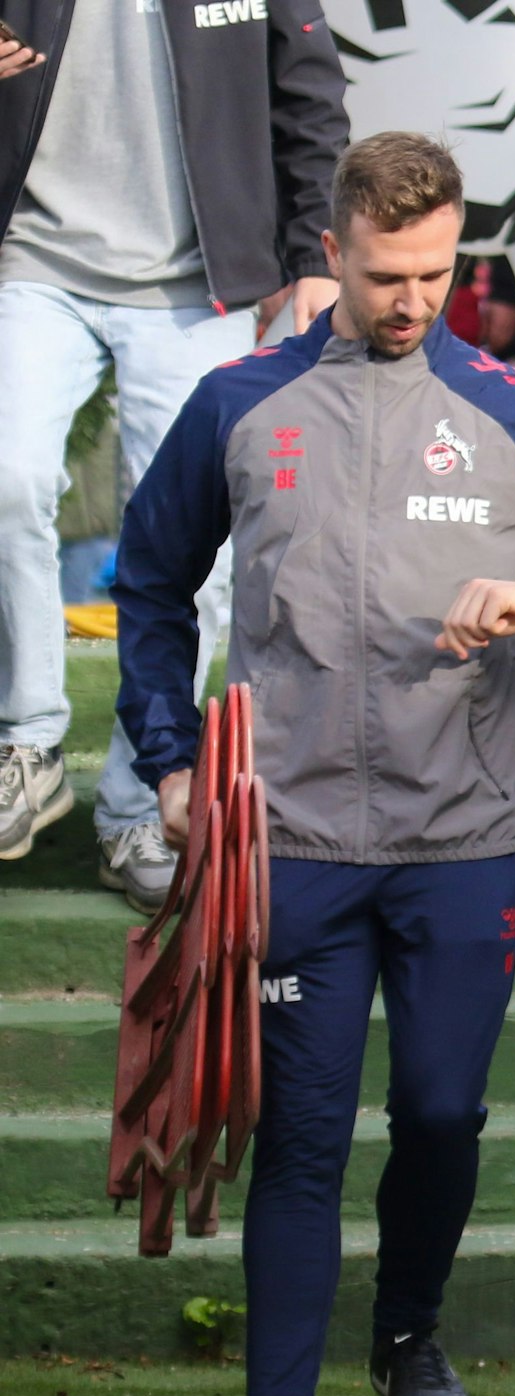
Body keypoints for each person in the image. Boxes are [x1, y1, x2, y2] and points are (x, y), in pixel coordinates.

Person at [112, 132, 515, 1396]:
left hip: (469, 836)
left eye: (438, 272)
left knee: (441, 1113)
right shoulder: (239, 405)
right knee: (305, 1136)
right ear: (333, 251)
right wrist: (166, 756)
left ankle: (405, 1329)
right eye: (388, 274)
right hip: (295, 841)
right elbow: (149, 585)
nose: (411, 300)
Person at [0, 0, 345, 910]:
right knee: (6, 478)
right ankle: (24, 744)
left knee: (191, 551)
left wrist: (316, 250)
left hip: (200, 283)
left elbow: (307, 86)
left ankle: (139, 804)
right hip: (29, 257)